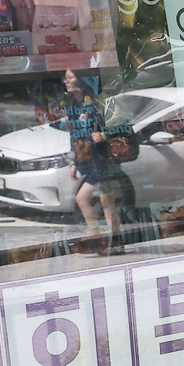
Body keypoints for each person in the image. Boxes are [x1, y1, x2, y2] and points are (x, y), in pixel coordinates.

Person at [59, 69, 135, 239]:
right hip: (90, 161)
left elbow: (125, 125)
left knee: (103, 201)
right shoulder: (72, 103)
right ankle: (99, 237)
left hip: (105, 161)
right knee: (90, 200)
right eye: (65, 78)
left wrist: (104, 135)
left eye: (70, 77)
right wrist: (73, 161)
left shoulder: (98, 101)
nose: (66, 81)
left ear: (81, 80)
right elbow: (75, 134)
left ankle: (111, 240)